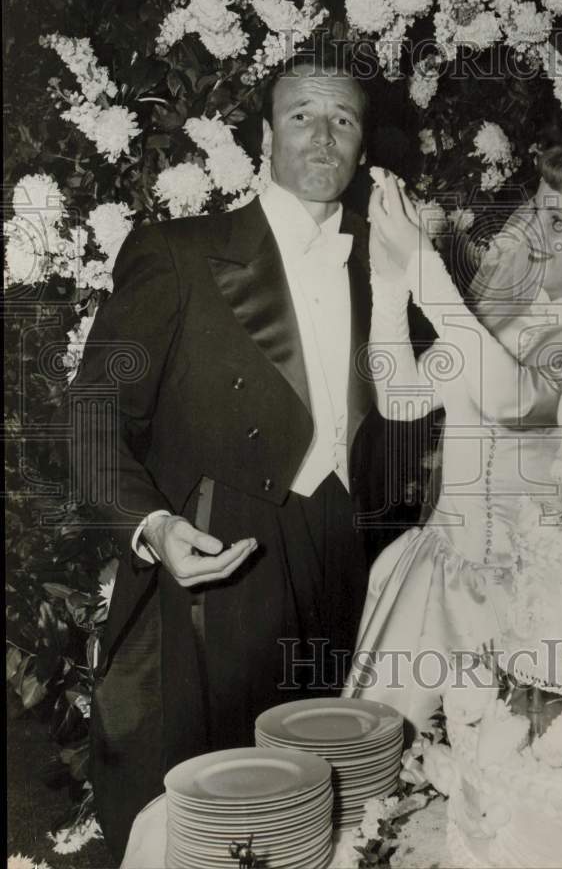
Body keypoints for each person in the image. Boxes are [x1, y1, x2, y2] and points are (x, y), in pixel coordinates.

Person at [71, 51, 392, 862]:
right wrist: (150, 524)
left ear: (362, 145)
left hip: (348, 557)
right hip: (217, 555)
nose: (323, 136)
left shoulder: (388, 268)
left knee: (327, 806)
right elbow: (90, 412)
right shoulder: (177, 253)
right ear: (264, 137)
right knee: (213, 813)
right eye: (301, 116)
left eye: (343, 119)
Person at [344, 145, 562, 730]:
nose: (534, 231)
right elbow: (401, 397)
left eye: (560, 222)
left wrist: (425, 268)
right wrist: (388, 279)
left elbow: (513, 398)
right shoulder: (507, 314)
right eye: (536, 210)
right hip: (441, 573)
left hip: (525, 596)